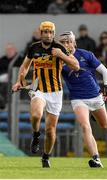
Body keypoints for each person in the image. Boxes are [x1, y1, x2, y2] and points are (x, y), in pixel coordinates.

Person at [12, 21, 79, 168]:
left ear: (53, 34)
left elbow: (76, 65)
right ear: (41, 33)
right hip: (38, 89)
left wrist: (61, 54)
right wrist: (19, 81)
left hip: (55, 92)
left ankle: (45, 156)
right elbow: (25, 66)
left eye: (50, 32)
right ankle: (36, 135)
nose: (48, 35)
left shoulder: (59, 47)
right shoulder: (34, 47)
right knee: (36, 114)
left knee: (50, 130)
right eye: (45, 32)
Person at [59, 31, 107, 168]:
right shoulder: (59, 59)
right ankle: (96, 159)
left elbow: (105, 71)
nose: (66, 44)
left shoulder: (86, 54)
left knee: (105, 125)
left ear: (74, 42)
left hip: (95, 96)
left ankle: (94, 114)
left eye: (69, 41)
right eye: (63, 42)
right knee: (85, 126)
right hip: (78, 99)